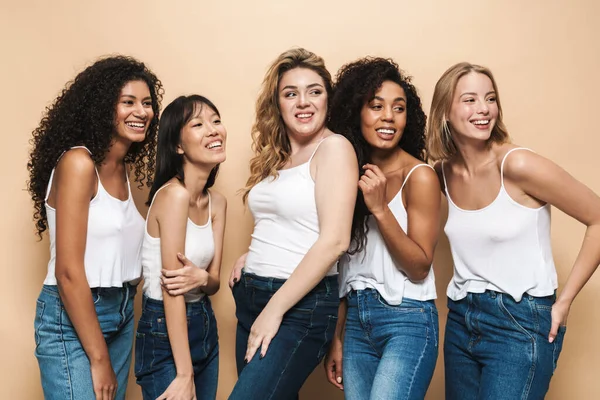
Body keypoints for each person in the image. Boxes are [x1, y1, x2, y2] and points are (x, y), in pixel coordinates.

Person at [428, 62, 600, 399]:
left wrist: (563, 303)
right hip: (463, 318)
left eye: (490, 99)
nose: (483, 109)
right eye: (470, 100)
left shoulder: (518, 165)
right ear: (444, 112)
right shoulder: (442, 174)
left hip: (519, 322)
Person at [28, 55, 162, 400]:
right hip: (74, 317)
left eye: (147, 103)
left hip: (120, 311)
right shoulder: (78, 163)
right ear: (103, 106)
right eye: (128, 102)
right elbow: (69, 272)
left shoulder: (122, 170)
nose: (142, 112)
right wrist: (99, 358)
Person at [227, 48, 358, 399]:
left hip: (298, 306)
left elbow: (334, 241)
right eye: (291, 93)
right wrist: (251, 255)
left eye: (314, 91)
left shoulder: (334, 149)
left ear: (328, 99)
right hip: (252, 295)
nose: (304, 102)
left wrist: (274, 310)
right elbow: (285, 221)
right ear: (278, 104)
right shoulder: (278, 156)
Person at [325, 57, 441, 400]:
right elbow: (344, 263)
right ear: (355, 112)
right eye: (376, 106)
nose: (388, 116)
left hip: (407, 320)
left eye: (399, 108)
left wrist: (379, 208)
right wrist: (338, 337)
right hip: (358, 324)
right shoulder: (350, 176)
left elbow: (419, 266)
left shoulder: (419, 176)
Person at [134, 95, 227, 400]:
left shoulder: (218, 203)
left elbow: (213, 282)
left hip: (204, 323)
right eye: (198, 124)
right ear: (177, 146)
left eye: (215, 121)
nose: (213, 130)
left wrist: (201, 278)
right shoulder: (173, 196)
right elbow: (172, 291)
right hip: (164, 328)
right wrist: (184, 374)